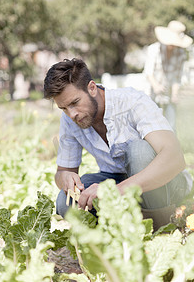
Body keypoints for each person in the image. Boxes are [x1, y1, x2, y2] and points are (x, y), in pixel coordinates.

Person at [44, 58, 192, 230]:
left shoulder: (132, 101)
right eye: (64, 108)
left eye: (75, 103)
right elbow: (62, 172)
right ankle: (131, 218)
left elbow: (174, 158)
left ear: (92, 88)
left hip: (165, 181)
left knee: (138, 151)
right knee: (65, 202)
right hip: (117, 179)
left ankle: (159, 224)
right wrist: (65, 178)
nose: (72, 114)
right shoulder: (70, 118)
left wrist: (115, 191)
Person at [144, 20, 193, 132]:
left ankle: (171, 148)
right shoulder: (154, 49)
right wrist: (156, 86)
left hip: (169, 94)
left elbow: (177, 76)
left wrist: (175, 93)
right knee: (153, 125)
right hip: (152, 93)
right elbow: (148, 72)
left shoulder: (180, 54)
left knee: (171, 125)